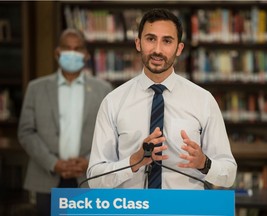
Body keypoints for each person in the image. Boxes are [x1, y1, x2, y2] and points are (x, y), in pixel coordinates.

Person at [87, 8, 237, 189]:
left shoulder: (203, 100)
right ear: (138, 43)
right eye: (150, 39)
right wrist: (133, 162)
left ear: (179, 48)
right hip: (132, 209)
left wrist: (204, 163)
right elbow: (94, 179)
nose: (157, 50)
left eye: (167, 41)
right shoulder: (113, 102)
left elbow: (229, 175)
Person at [18, 28, 112, 216]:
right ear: (57, 52)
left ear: (85, 55)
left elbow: (110, 135)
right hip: (46, 176)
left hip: (87, 176)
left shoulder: (103, 90)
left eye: (77, 49)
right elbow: (26, 132)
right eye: (67, 48)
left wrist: (88, 161)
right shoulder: (36, 88)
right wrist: (53, 163)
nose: (72, 53)